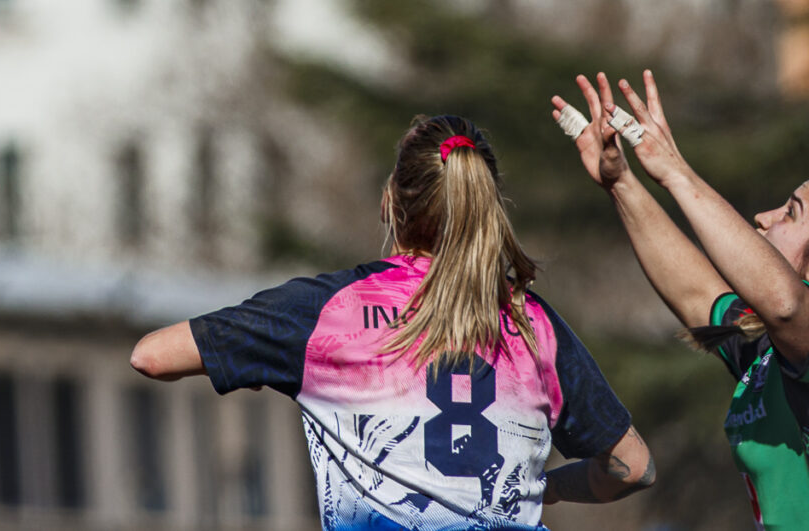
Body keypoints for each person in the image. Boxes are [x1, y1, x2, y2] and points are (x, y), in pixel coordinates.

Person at [130, 113, 652, 529]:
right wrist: (550, 487)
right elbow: (633, 467)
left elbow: (150, 357)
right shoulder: (531, 321)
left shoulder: (327, 311)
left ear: (390, 204)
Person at [558, 68, 809, 527]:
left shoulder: (794, 324)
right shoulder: (772, 351)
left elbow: (786, 303)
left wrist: (675, 171)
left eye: (792, 213)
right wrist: (622, 184)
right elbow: (697, 293)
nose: (765, 216)